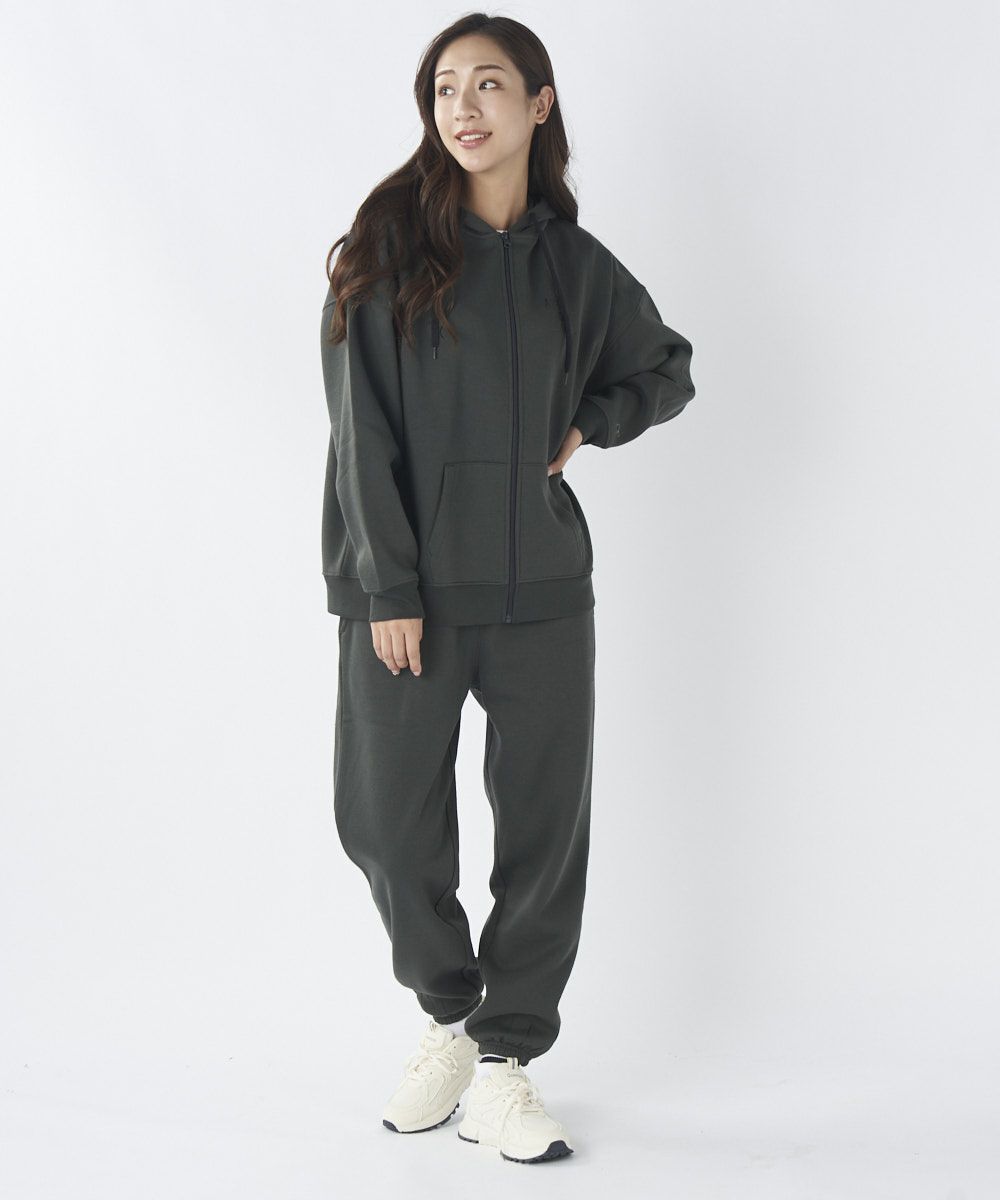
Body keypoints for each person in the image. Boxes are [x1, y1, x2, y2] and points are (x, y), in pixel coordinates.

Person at [319, 13, 695, 1165]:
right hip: (409, 600)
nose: (463, 107)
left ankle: (505, 1062)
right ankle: (448, 1013)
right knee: (384, 824)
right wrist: (387, 585)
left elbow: (666, 368)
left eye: (489, 84)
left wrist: (590, 420)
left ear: (539, 104)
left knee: (543, 835)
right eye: (444, 88)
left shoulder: (575, 268)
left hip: (543, 593)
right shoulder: (384, 253)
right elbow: (359, 434)